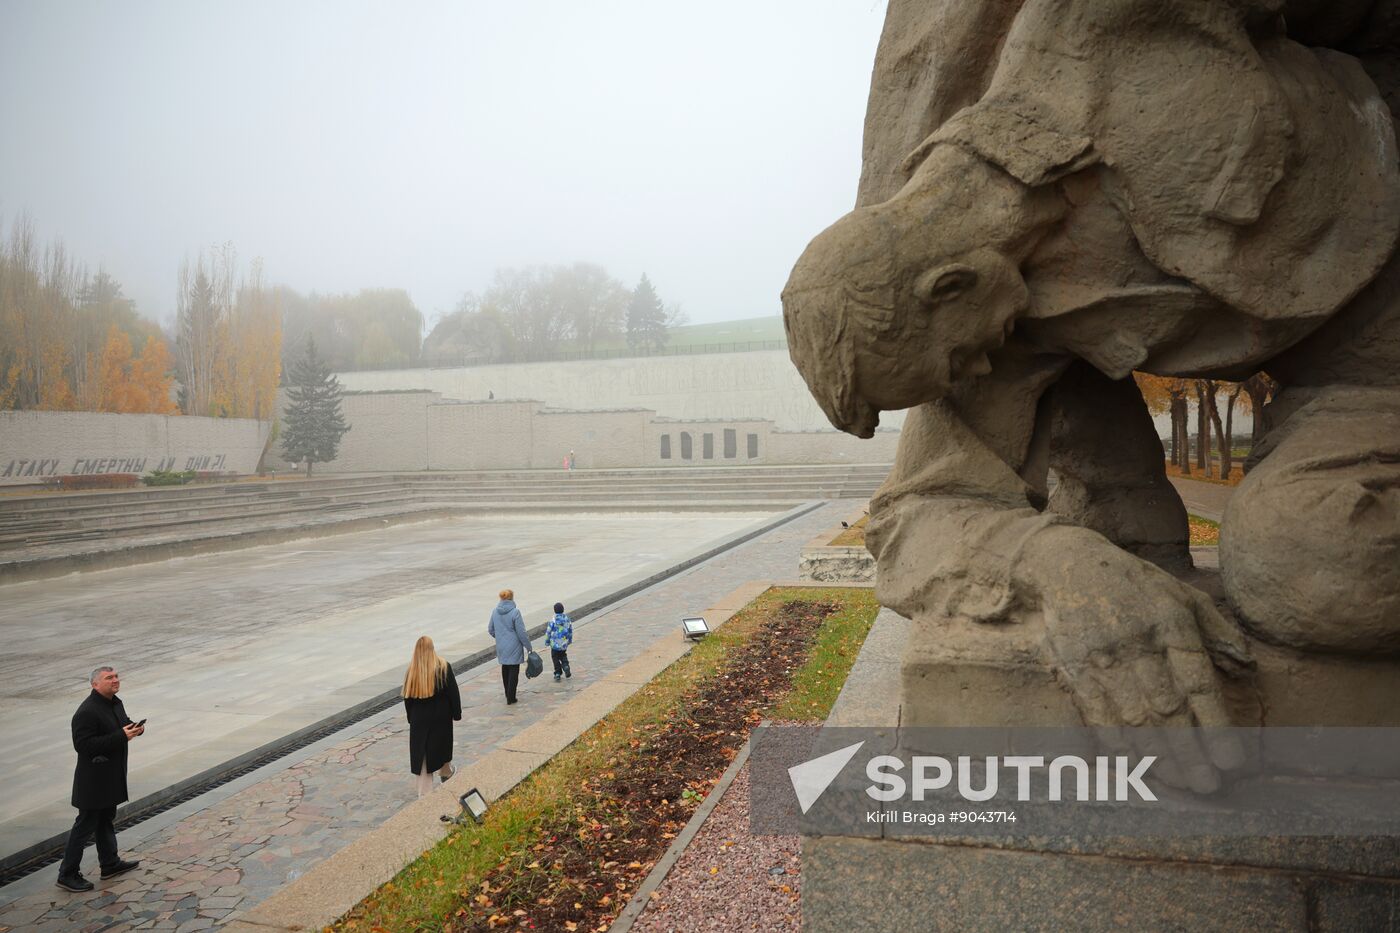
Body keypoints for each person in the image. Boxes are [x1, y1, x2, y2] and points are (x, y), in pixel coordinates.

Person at [57, 666, 143, 892]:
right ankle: (67, 874)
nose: (115, 680)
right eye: (109, 678)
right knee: (85, 825)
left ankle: (110, 864)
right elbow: (83, 746)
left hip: (110, 777)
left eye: (116, 676)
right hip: (93, 782)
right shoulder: (87, 711)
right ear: (95, 684)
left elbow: (122, 723)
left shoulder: (114, 702)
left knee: (106, 820)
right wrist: (121, 736)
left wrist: (136, 728)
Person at [401, 636, 461, 797]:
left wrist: (411, 718)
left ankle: (424, 794)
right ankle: (446, 773)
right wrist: (456, 713)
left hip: (419, 720)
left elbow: (407, 698)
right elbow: (453, 693)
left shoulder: (412, 670)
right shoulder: (443, 667)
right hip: (440, 717)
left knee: (423, 757)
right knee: (442, 749)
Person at [488, 589, 532, 705]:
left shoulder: (495, 611)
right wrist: (528, 646)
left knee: (505, 668)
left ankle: (507, 694)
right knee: (514, 670)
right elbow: (521, 632)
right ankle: (511, 697)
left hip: (501, 646)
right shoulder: (515, 612)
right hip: (514, 646)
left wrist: (500, 637)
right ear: (512, 598)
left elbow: (490, 629)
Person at [546, 602, 573, 682]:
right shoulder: (567, 619)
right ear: (563, 610)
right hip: (564, 643)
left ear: (554, 611)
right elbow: (570, 630)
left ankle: (558, 672)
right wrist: (569, 640)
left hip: (555, 644)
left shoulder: (553, 620)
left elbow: (548, 632)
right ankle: (566, 665)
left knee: (555, 658)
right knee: (563, 655)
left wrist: (547, 641)